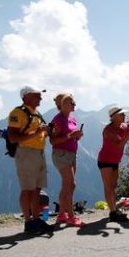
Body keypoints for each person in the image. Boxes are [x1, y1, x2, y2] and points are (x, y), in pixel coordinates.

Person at [7, 86, 53, 234]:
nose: (40, 98)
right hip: (26, 153)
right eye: (37, 95)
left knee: (37, 188)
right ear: (26, 96)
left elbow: (37, 134)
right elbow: (13, 137)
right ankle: (28, 222)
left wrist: (46, 132)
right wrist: (38, 131)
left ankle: (36, 219)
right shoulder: (17, 113)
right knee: (27, 189)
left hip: (39, 152)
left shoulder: (37, 114)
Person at [98, 106, 129, 223]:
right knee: (108, 187)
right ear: (114, 117)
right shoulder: (108, 130)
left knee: (113, 186)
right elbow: (118, 145)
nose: (124, 116)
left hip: (115, 161)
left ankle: (114, 210)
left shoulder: (124, 126)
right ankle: (112, 212)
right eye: (121, 114)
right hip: (105, 160)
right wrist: (128, 133)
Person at [49, 93, 85, 227]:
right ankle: (71, 216)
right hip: (61, 154)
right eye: (72, 102)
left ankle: (61, 214)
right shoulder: (57, 119)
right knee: (71, 184)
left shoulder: (72, 118)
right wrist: (71, 135)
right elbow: (52, 140)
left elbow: (72, 136)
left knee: (67, 185)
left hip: (71, 153)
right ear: (63, 104)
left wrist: (77, 136)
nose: (74, 104)